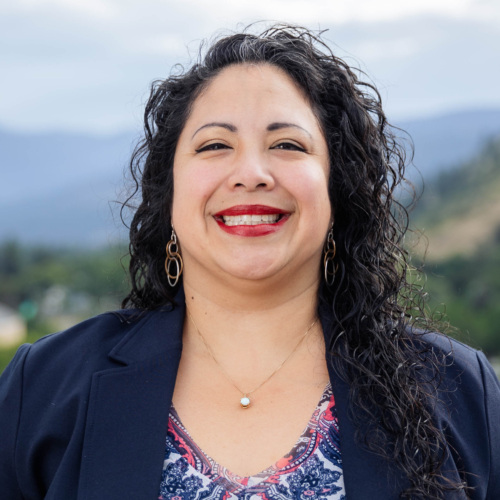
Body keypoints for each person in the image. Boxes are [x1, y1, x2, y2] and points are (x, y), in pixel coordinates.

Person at [1, 24, 499, 500]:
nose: (251, 173)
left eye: (287, 145)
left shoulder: (456, 389)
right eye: (215, 145)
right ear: (168, 193)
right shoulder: (42, 388)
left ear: (335, 191)